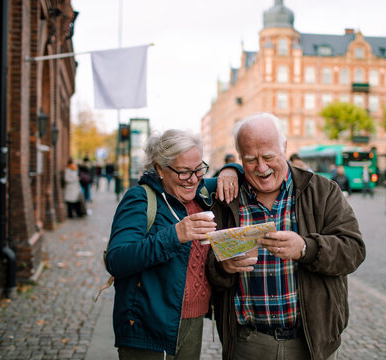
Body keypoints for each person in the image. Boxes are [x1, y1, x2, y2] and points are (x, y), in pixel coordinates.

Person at [206, 113, 365, 360]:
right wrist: (224, 267)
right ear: (239, 158)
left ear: (285, 147)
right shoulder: (227, 198)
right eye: (250, 160)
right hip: (248, 343)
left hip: (311, 343)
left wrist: (306, 248)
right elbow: (206, 266)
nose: (261, 167)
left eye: (269, 157)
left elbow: (354, 250)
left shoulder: (322, 190)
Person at [105, 129, 236, 360]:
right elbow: (117, 259)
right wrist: (175, 235)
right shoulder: (140, 198)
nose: (194, 179)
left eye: (198, 169)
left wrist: (230, 169)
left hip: (193, 322)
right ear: (159, 169)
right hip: (148, 326)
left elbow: (247, 174)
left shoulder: (202, 193)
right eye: (184, 172)